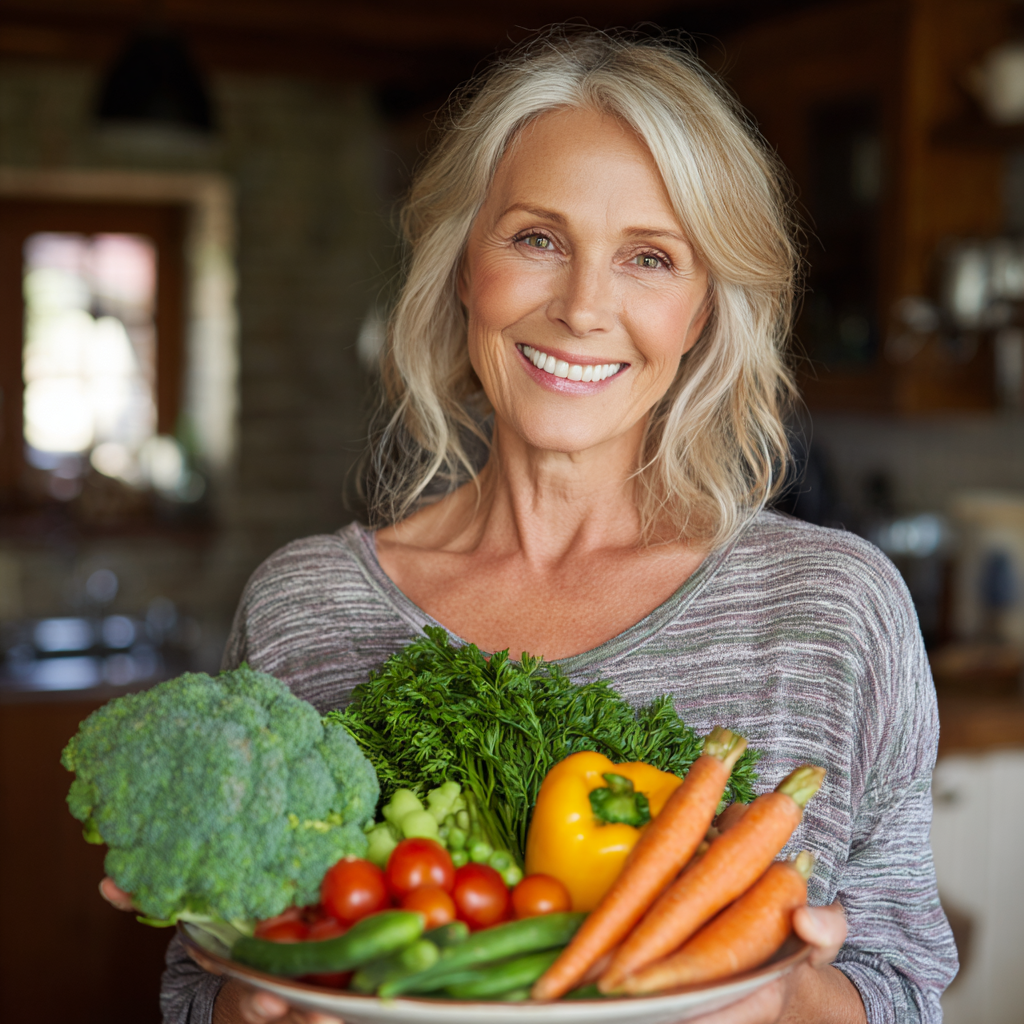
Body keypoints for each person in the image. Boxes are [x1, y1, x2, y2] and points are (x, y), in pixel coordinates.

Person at [105, 29, 957, 1024]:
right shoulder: (306, 607)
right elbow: (196, 985)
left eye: (649, 257)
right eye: (536, 239)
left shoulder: (834, 609)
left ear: (702, 312)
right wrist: (243, 1007)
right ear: (465, 265)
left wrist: (789, 996)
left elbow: (901, 986)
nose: (583, 307)